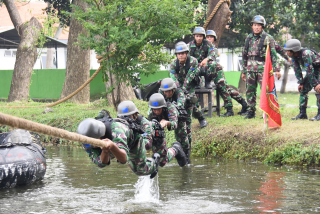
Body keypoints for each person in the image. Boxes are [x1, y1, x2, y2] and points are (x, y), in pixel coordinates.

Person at [78, 101, 187, 179]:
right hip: (125, 142)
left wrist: (112, 147)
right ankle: (154, 162)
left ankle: (175, 149)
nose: (92, 146)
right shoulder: (87, 139)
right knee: (145, 165)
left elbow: (124, 158)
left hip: (138, 139)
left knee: (153, 165)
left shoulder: (118, 130)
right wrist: (105, 151)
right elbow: (101, 163)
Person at [241, 15, 281, 119]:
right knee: (250, 91)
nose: (256, 27)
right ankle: (251, 112)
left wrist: (277, 69)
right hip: (250, 68)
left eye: (259, 25)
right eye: (255, 25)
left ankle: (267, 112)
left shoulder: (268, 38)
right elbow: (244, 55)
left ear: (262, 27)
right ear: (252, 26)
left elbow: (273, 55)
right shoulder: (248, 38)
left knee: (265, 91)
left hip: (263, 69)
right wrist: (243, 70)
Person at [206, 29, 248, 115]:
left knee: (224, 89)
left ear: (214, 39)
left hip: (216, 72)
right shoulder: (202, 47)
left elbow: (216, 54)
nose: (209, 38)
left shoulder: (212, 48)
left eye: (211, 37)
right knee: (227, 89)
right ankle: (244, 104)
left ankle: (230, 110)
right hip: (207, 73)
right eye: (207, 37)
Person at [169, 41, 208, 127]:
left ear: (186, 53)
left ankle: (201, 118)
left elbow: (190, 77)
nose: (180, 55)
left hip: (192, 83)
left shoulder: (193, 61)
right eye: (178, 54)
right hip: (180, 84)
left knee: (189, 100)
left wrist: (184, 89)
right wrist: (179, 89)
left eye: (182, 53)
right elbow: (173, 78)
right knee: (182, 101)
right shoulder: (173, 64)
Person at [283, 39, 320, 120]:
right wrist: (301, 82)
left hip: (318, 69)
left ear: (294, 50)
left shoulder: (305, 54)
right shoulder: (293, 56)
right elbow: (297, 69)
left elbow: (309, 70)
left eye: (288, 51)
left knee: (319, 90)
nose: (287, 53)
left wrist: (316, 84)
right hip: (312, 71)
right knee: (303, 90)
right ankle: (302, 114)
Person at [158, 77, 193, 163]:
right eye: (165, 91)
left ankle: (187, 154)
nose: (167, 93)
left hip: (183, 110)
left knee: (185, 132)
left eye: (169, 91)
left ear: (173, 89)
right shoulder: (161, 92)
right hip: (169, 109)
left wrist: (173, 108)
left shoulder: (179, 92)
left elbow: (181, 103)